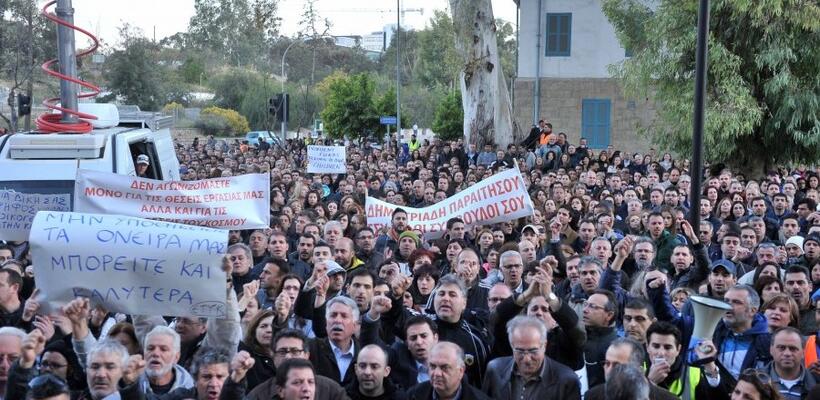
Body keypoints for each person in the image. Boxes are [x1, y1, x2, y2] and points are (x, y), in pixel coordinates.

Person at [482, 316, 580, 400]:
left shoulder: (567, 381)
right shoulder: (495, 369)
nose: (527, 359)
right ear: (512, 345)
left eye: (533, 351)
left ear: (544, 345)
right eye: (520, 351)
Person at [584, 337, 677, 400]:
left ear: (639, 370)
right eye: (607, 363)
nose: (609, 370)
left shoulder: (668, 398)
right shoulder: (592, 396)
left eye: (617, 366)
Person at [406, 342, 490, 400]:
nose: (437, 373)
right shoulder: (414, 394)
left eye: (444, 367)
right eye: (433, 366)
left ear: (461, 371)